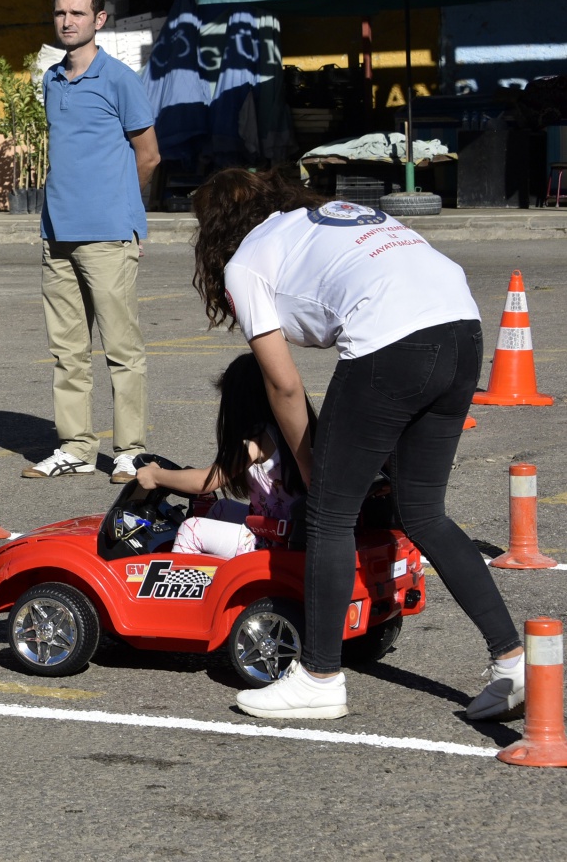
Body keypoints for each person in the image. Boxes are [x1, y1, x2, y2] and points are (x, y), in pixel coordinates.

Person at [191, 168, 523, 722]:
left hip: (394, 342)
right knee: (424, 511)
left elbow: (283, 384)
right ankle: (513, 662)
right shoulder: (321, 221)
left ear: (217, 229)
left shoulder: (246, 261)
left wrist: (308, 465)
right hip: (463, 329)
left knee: (328, 514)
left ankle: (319, 677)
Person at [25, 0, 160, 484]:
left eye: (78, 13)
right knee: (67, 351)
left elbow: (148, 155)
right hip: (56, 234)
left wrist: (125, 212)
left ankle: (130, 451)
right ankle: (76, 447)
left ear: (99, 20)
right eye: (61, 13)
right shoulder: (51, 79)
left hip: (108, 235)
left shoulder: (120, 79)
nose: (67, 22)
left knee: (122, 350)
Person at [135, 353, 309, 559]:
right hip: (285, 527)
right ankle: (216, 571)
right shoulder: (291, 430)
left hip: (275, 541)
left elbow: (205, 482)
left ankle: (181, 577)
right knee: (221, 508)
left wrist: (156, 476)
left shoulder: (257, 441)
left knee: (191, 531)